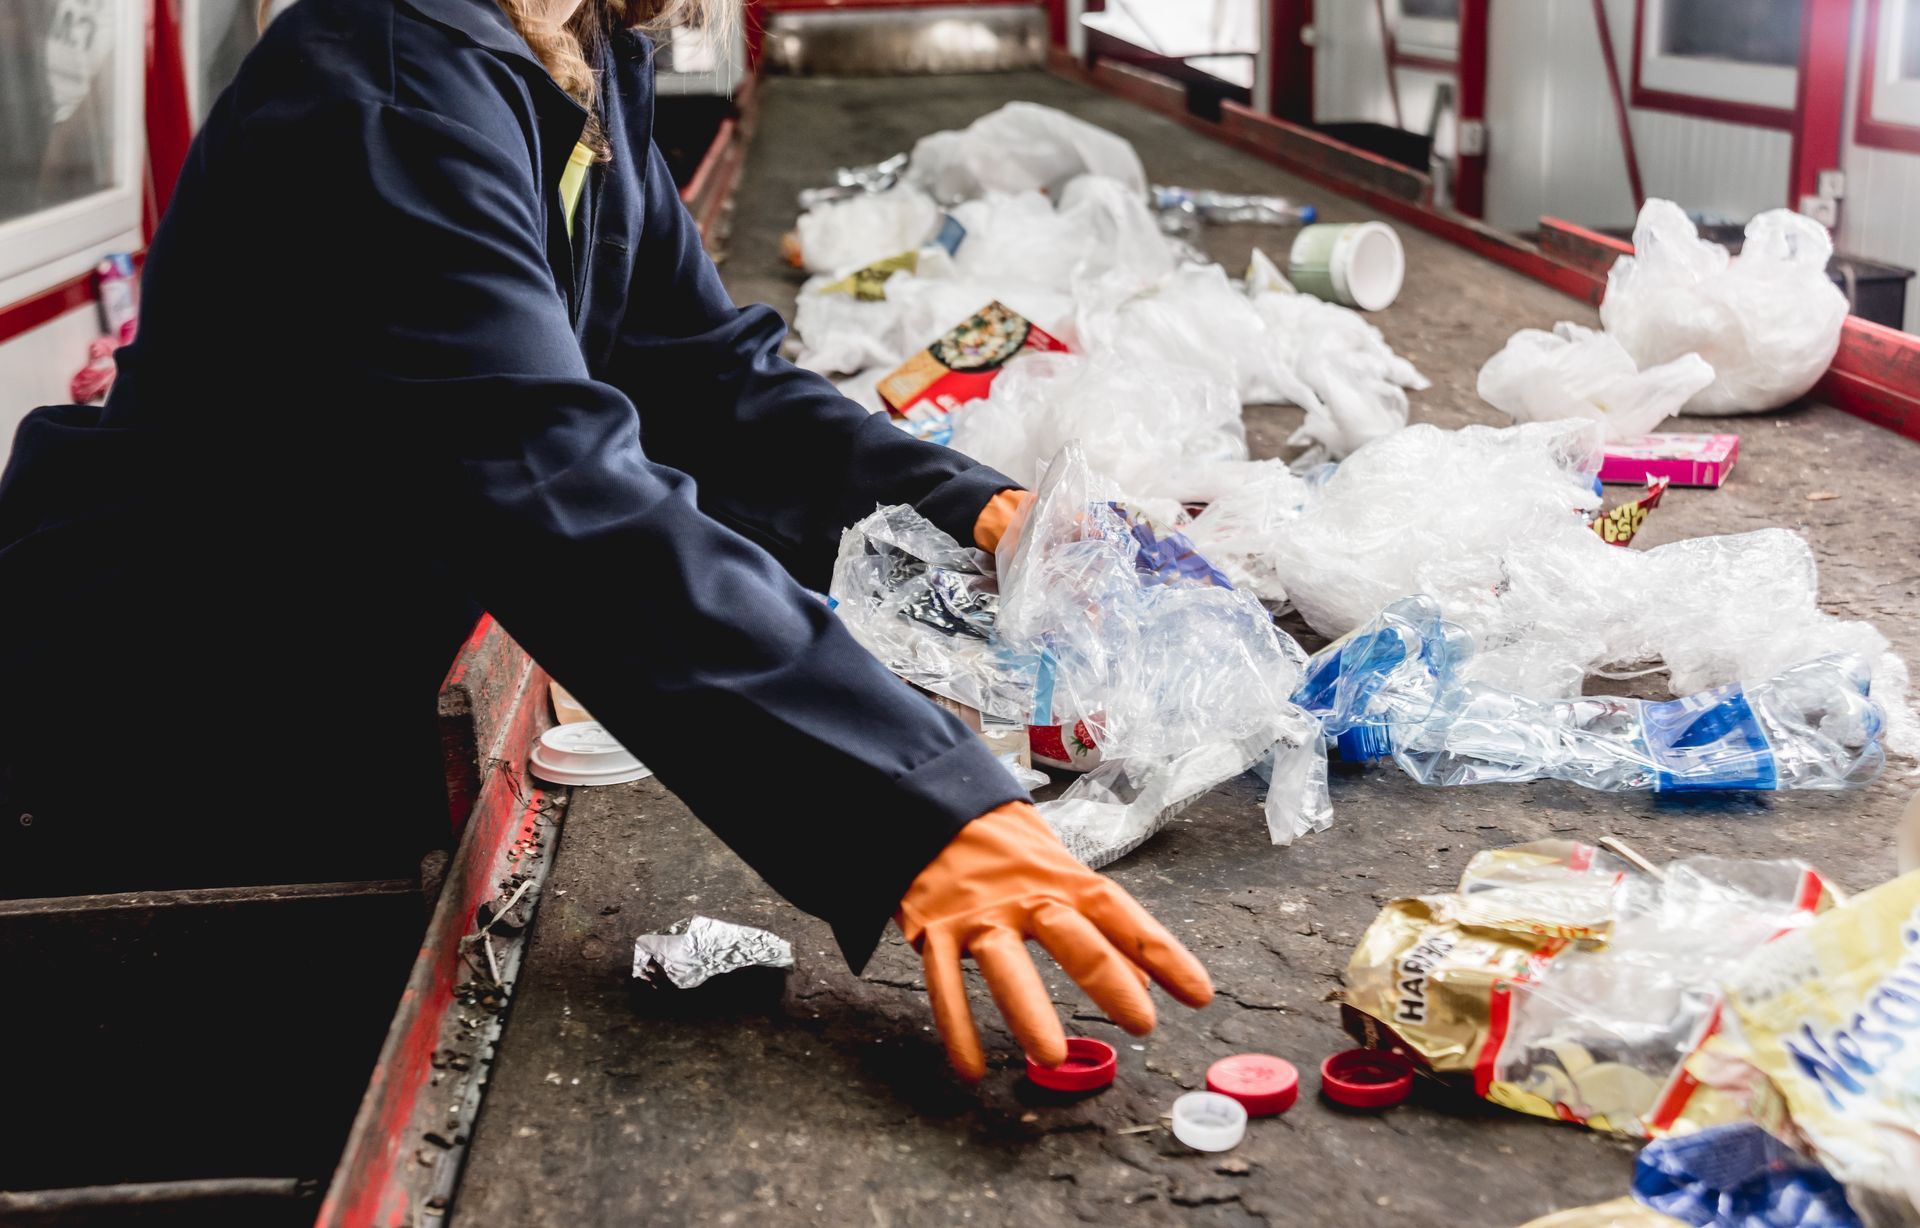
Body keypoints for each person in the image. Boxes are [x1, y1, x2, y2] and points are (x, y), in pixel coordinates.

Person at [0, 0, 1210, 1078]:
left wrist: (977, 507)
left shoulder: (578, 52)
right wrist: (921, 804)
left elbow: (700, 375)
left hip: (337, 639)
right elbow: (549, 479)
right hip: (170, 693)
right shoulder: (386, 84)